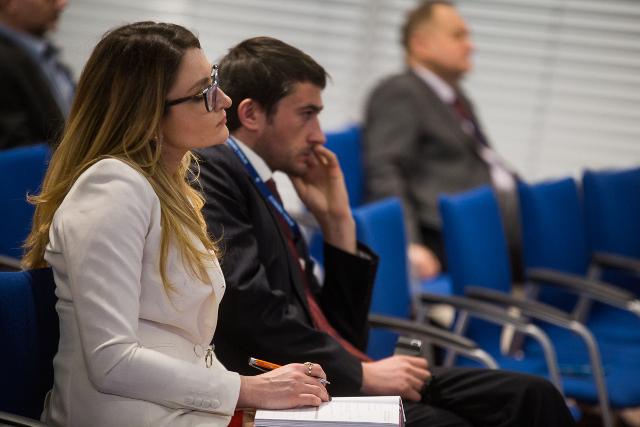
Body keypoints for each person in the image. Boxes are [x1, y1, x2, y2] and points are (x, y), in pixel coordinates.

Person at [196, 36, 575, 427]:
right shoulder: (214, 171)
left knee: (532, 396)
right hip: (277, 387)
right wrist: (362, 375)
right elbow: (251, 312)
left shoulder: (259, 183)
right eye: (306, 114)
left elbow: (342, 333)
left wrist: (338, 223)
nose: (318, 135)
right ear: (252, 114)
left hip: (326, 371)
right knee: (449, 423)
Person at [21, 22, 329, 427]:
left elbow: (182, 345)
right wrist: (248, 389)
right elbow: (111, 361)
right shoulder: (112, 190)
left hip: (179, 411)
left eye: (214, 80)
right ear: (148, 113)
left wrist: (266, 387)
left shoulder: (168, 186)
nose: (224, 99)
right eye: (204, 92)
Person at [363, 0, 520, 280]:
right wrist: (407, 243)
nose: (471, 46)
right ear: (421, 44)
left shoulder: (455, 98)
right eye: (458, 36)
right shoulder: (401, 91)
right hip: (453, 232)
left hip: (489, 219)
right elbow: (385, 170)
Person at [0, 0, 74, 150]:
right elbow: (16, 149)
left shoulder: (46, 56)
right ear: (9, 3)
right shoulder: (5, 61)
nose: (62, 4)